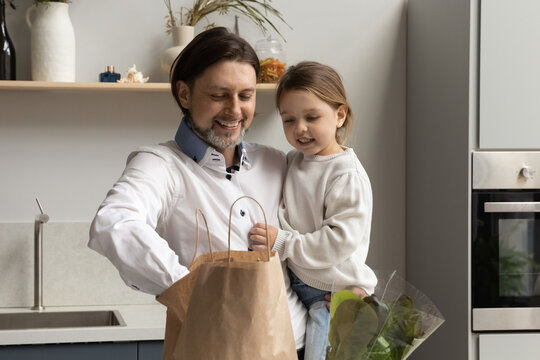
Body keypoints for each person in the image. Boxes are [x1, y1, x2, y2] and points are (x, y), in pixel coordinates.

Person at [88, 27, 307, 356]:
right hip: (214, 348)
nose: (235, 110)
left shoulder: (275, 162)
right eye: (219, 95)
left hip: (299, 344)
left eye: (245, 95)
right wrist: (193, 291)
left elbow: (313, 234)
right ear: (185, 95)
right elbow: (114, 222)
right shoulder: (160, 165)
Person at [249, 61, 378, 360]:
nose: (300, 129)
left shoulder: (346, 175)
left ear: (340, 115)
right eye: (289, 120)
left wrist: (282, 242)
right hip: (303, 290)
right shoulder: (295, 160)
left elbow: (339, 241)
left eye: (312, 117)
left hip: (332, 296)